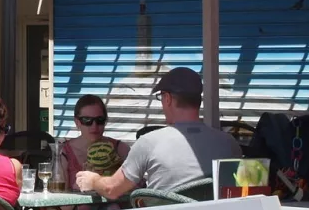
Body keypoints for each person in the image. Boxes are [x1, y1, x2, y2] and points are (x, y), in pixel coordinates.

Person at [75, 67, 241, 198]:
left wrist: (93, 180)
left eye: (161, 98)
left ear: (167, 98)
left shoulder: (149, 143)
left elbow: (112, 189)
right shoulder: (229, 144)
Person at [60, 94, 129, 181]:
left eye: (100, 120)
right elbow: (59, 191)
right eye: (87, 120)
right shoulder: (65, 152)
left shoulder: (121, 149)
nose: (94, 126)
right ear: (77, 122)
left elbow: (137, 187)